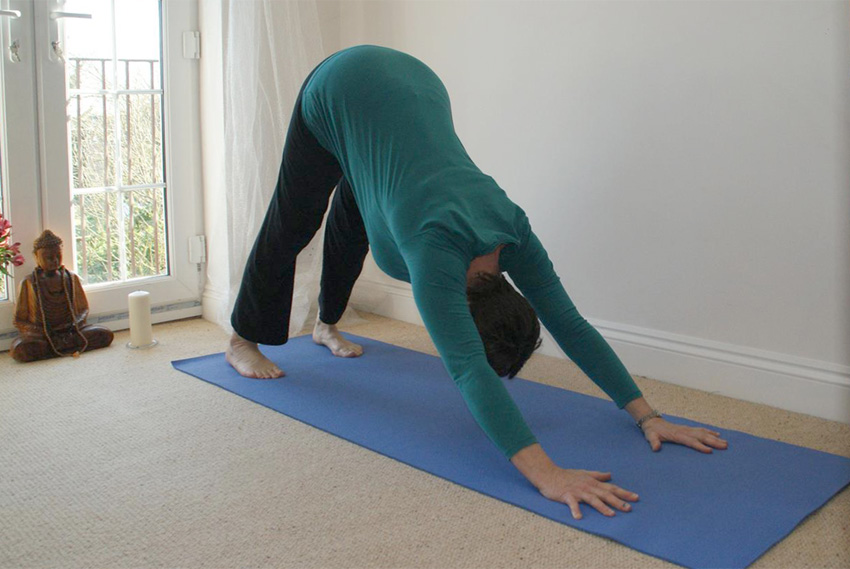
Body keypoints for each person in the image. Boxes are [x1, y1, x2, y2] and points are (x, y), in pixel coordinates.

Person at [227, 45, 727, 520]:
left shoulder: (514, 234)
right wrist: (547, 474)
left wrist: (647, 415)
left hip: (417, 85)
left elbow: (570, 325)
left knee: (367, 199)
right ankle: (241, 338)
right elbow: (468, 368)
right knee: (296, 216)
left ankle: (326, 323)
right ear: (463, 311)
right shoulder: (432, 255)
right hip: (344, 84)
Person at [11, 230, 114, 362]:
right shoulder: (29, 283)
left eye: (58, 255)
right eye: (48, 257)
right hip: (43, 335)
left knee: (104, 334)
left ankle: (59, 346)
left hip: (71, 331)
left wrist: (74, 324)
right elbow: (19, 320)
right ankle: (56, 345)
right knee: (19, 349)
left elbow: (83, 309)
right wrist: (44, 331)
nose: (54, 260)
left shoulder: (70, 278)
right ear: (36, 257)